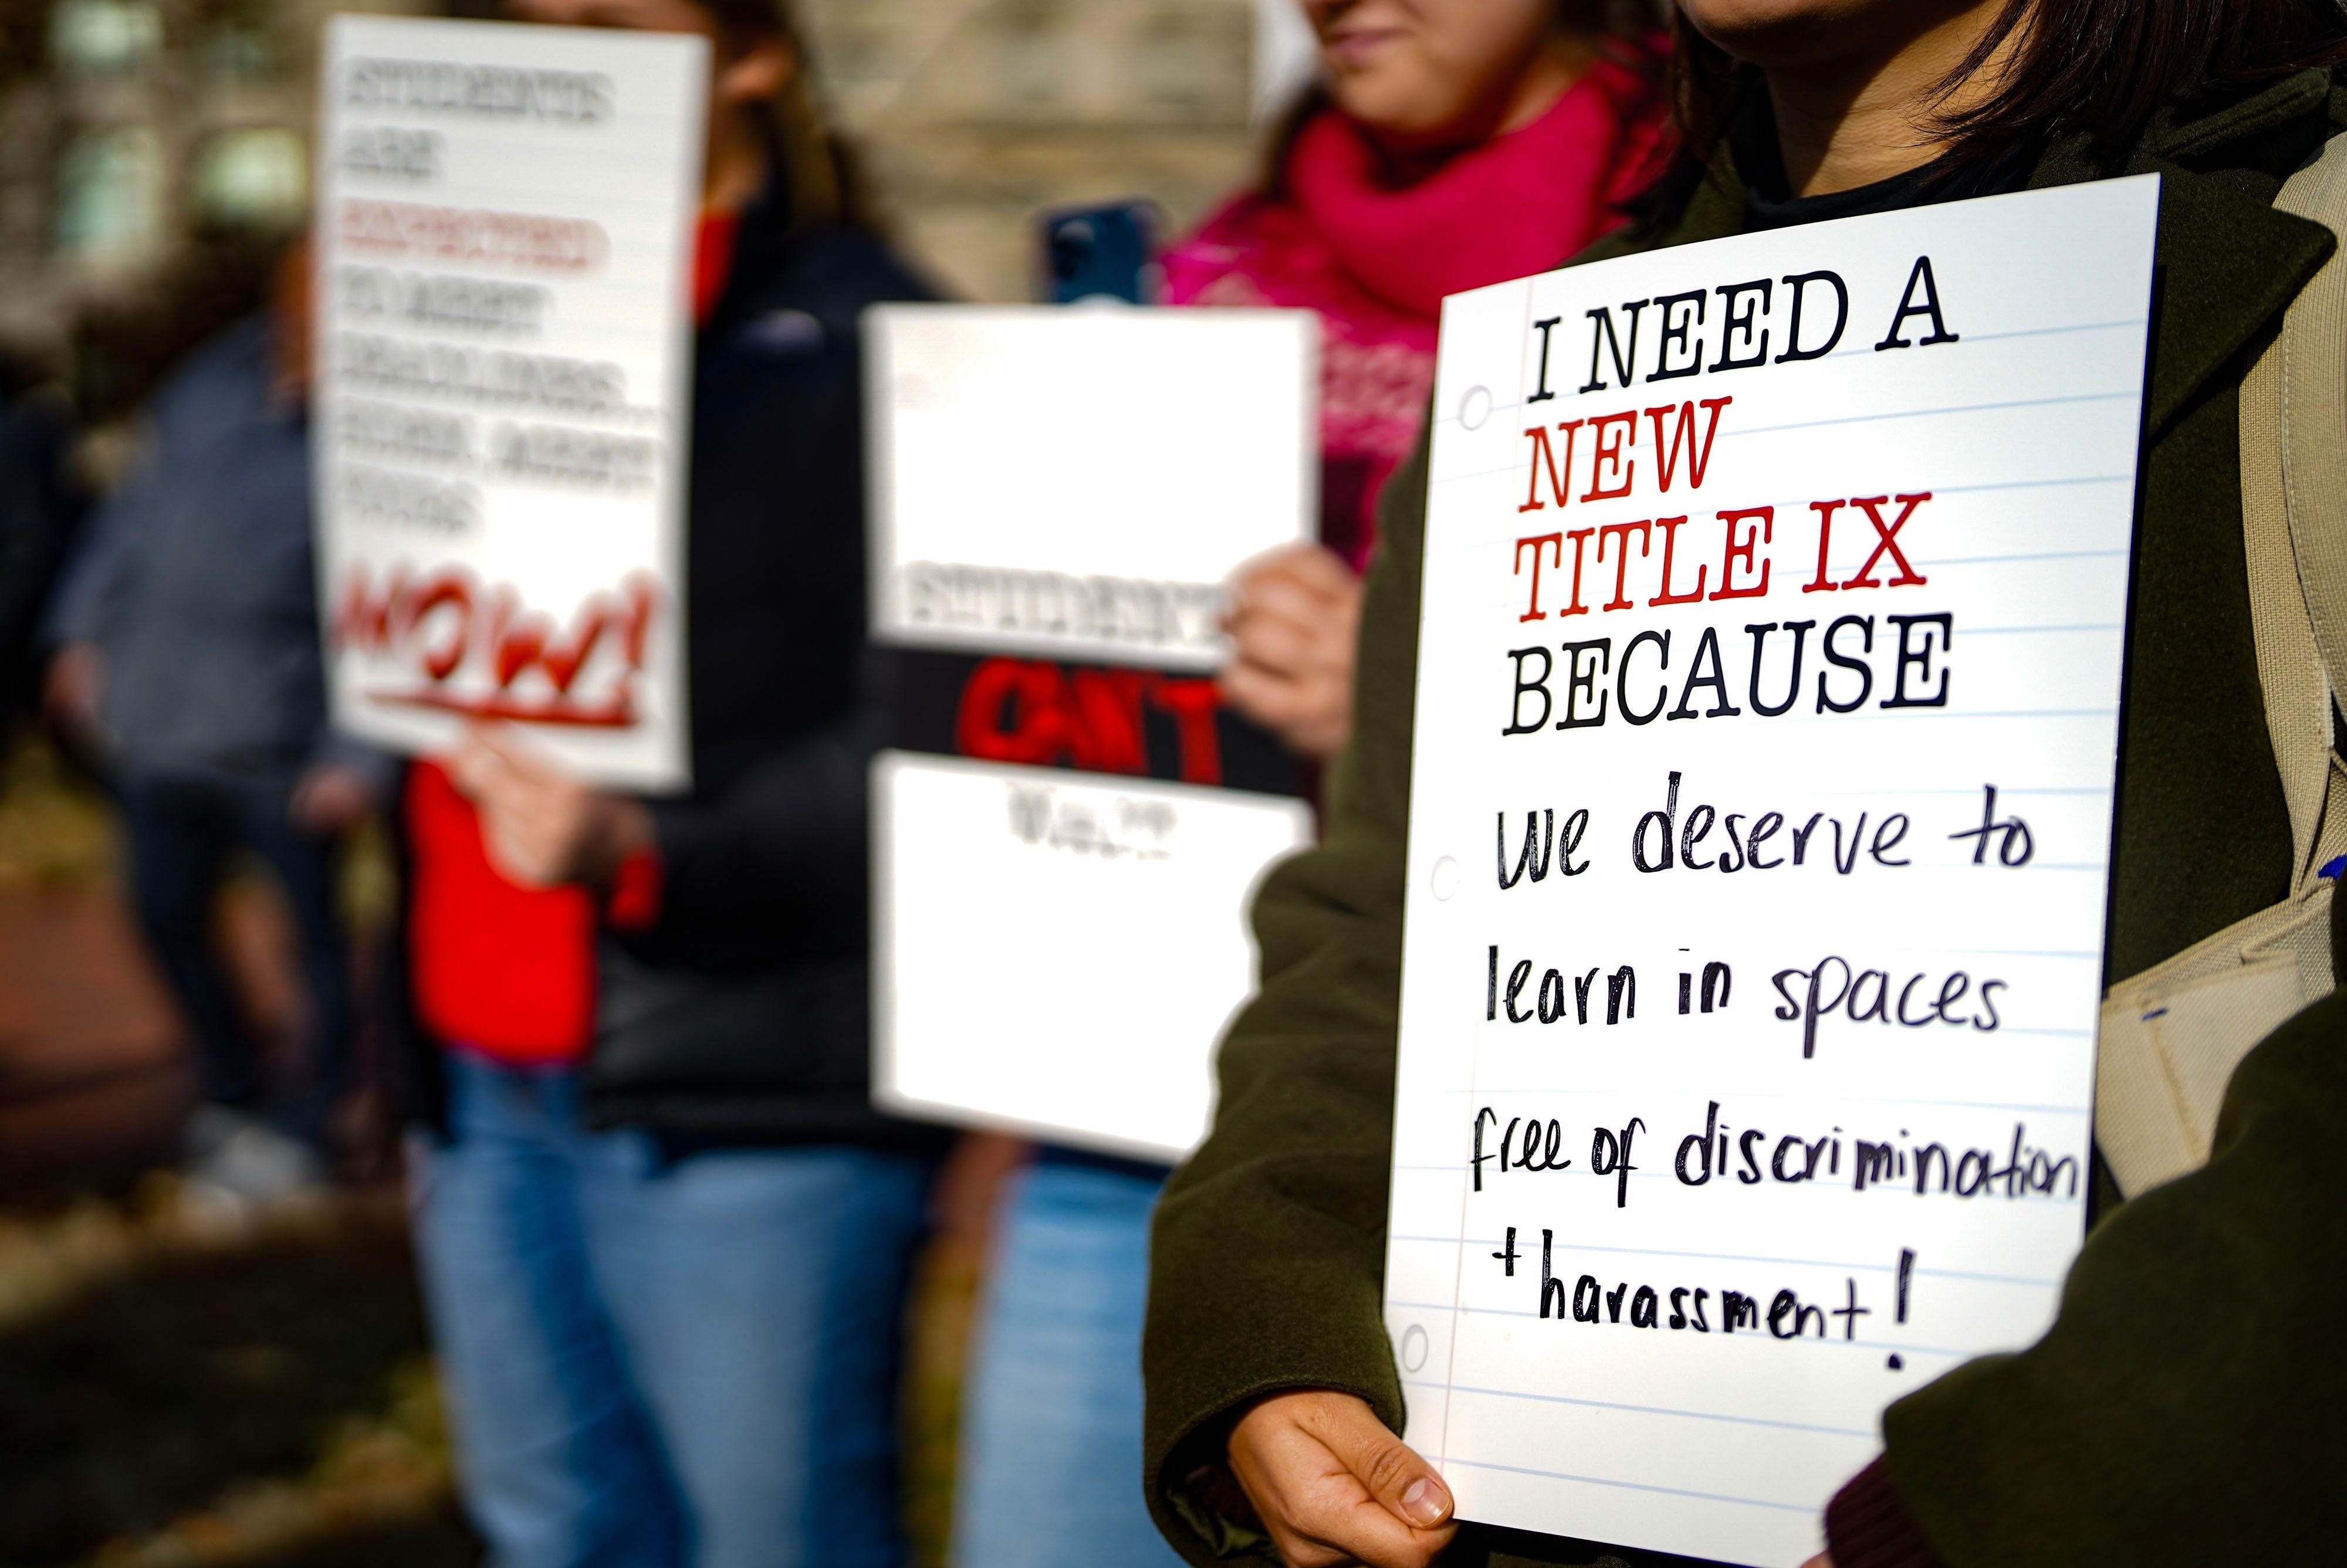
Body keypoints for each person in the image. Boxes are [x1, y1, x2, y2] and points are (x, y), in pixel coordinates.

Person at [1142, 1, 2347, 1566]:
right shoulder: (1556, 358)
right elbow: (1383, 908)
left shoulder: (2301, 257)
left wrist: (2024, 1490)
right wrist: (1273, 1321)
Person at [946, 6, 1662, 1568]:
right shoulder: (1208, 272)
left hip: (1512, 1136)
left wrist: (1413, 707)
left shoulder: (1698, 250)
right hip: (1133, 1099)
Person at [393, 2, 943, 1566]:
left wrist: (655, 842)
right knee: (553, 1532)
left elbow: (944, 738)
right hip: (477, 1067)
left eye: (614, 19)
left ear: (756, 53)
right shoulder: (448, 308)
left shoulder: (875, 332)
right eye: (531, 19)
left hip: (745, 1094)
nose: (560, 55)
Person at [42, 239, 377, 1193]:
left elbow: (402, 597)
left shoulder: (380, 420)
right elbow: (129, 519)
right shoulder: (211, 380)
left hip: (284, 740)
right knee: (162, 913)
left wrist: (360, 752)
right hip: (160, 719)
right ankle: (231, 1087)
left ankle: (313, 1126)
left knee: (313, 946)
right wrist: (79, 633)